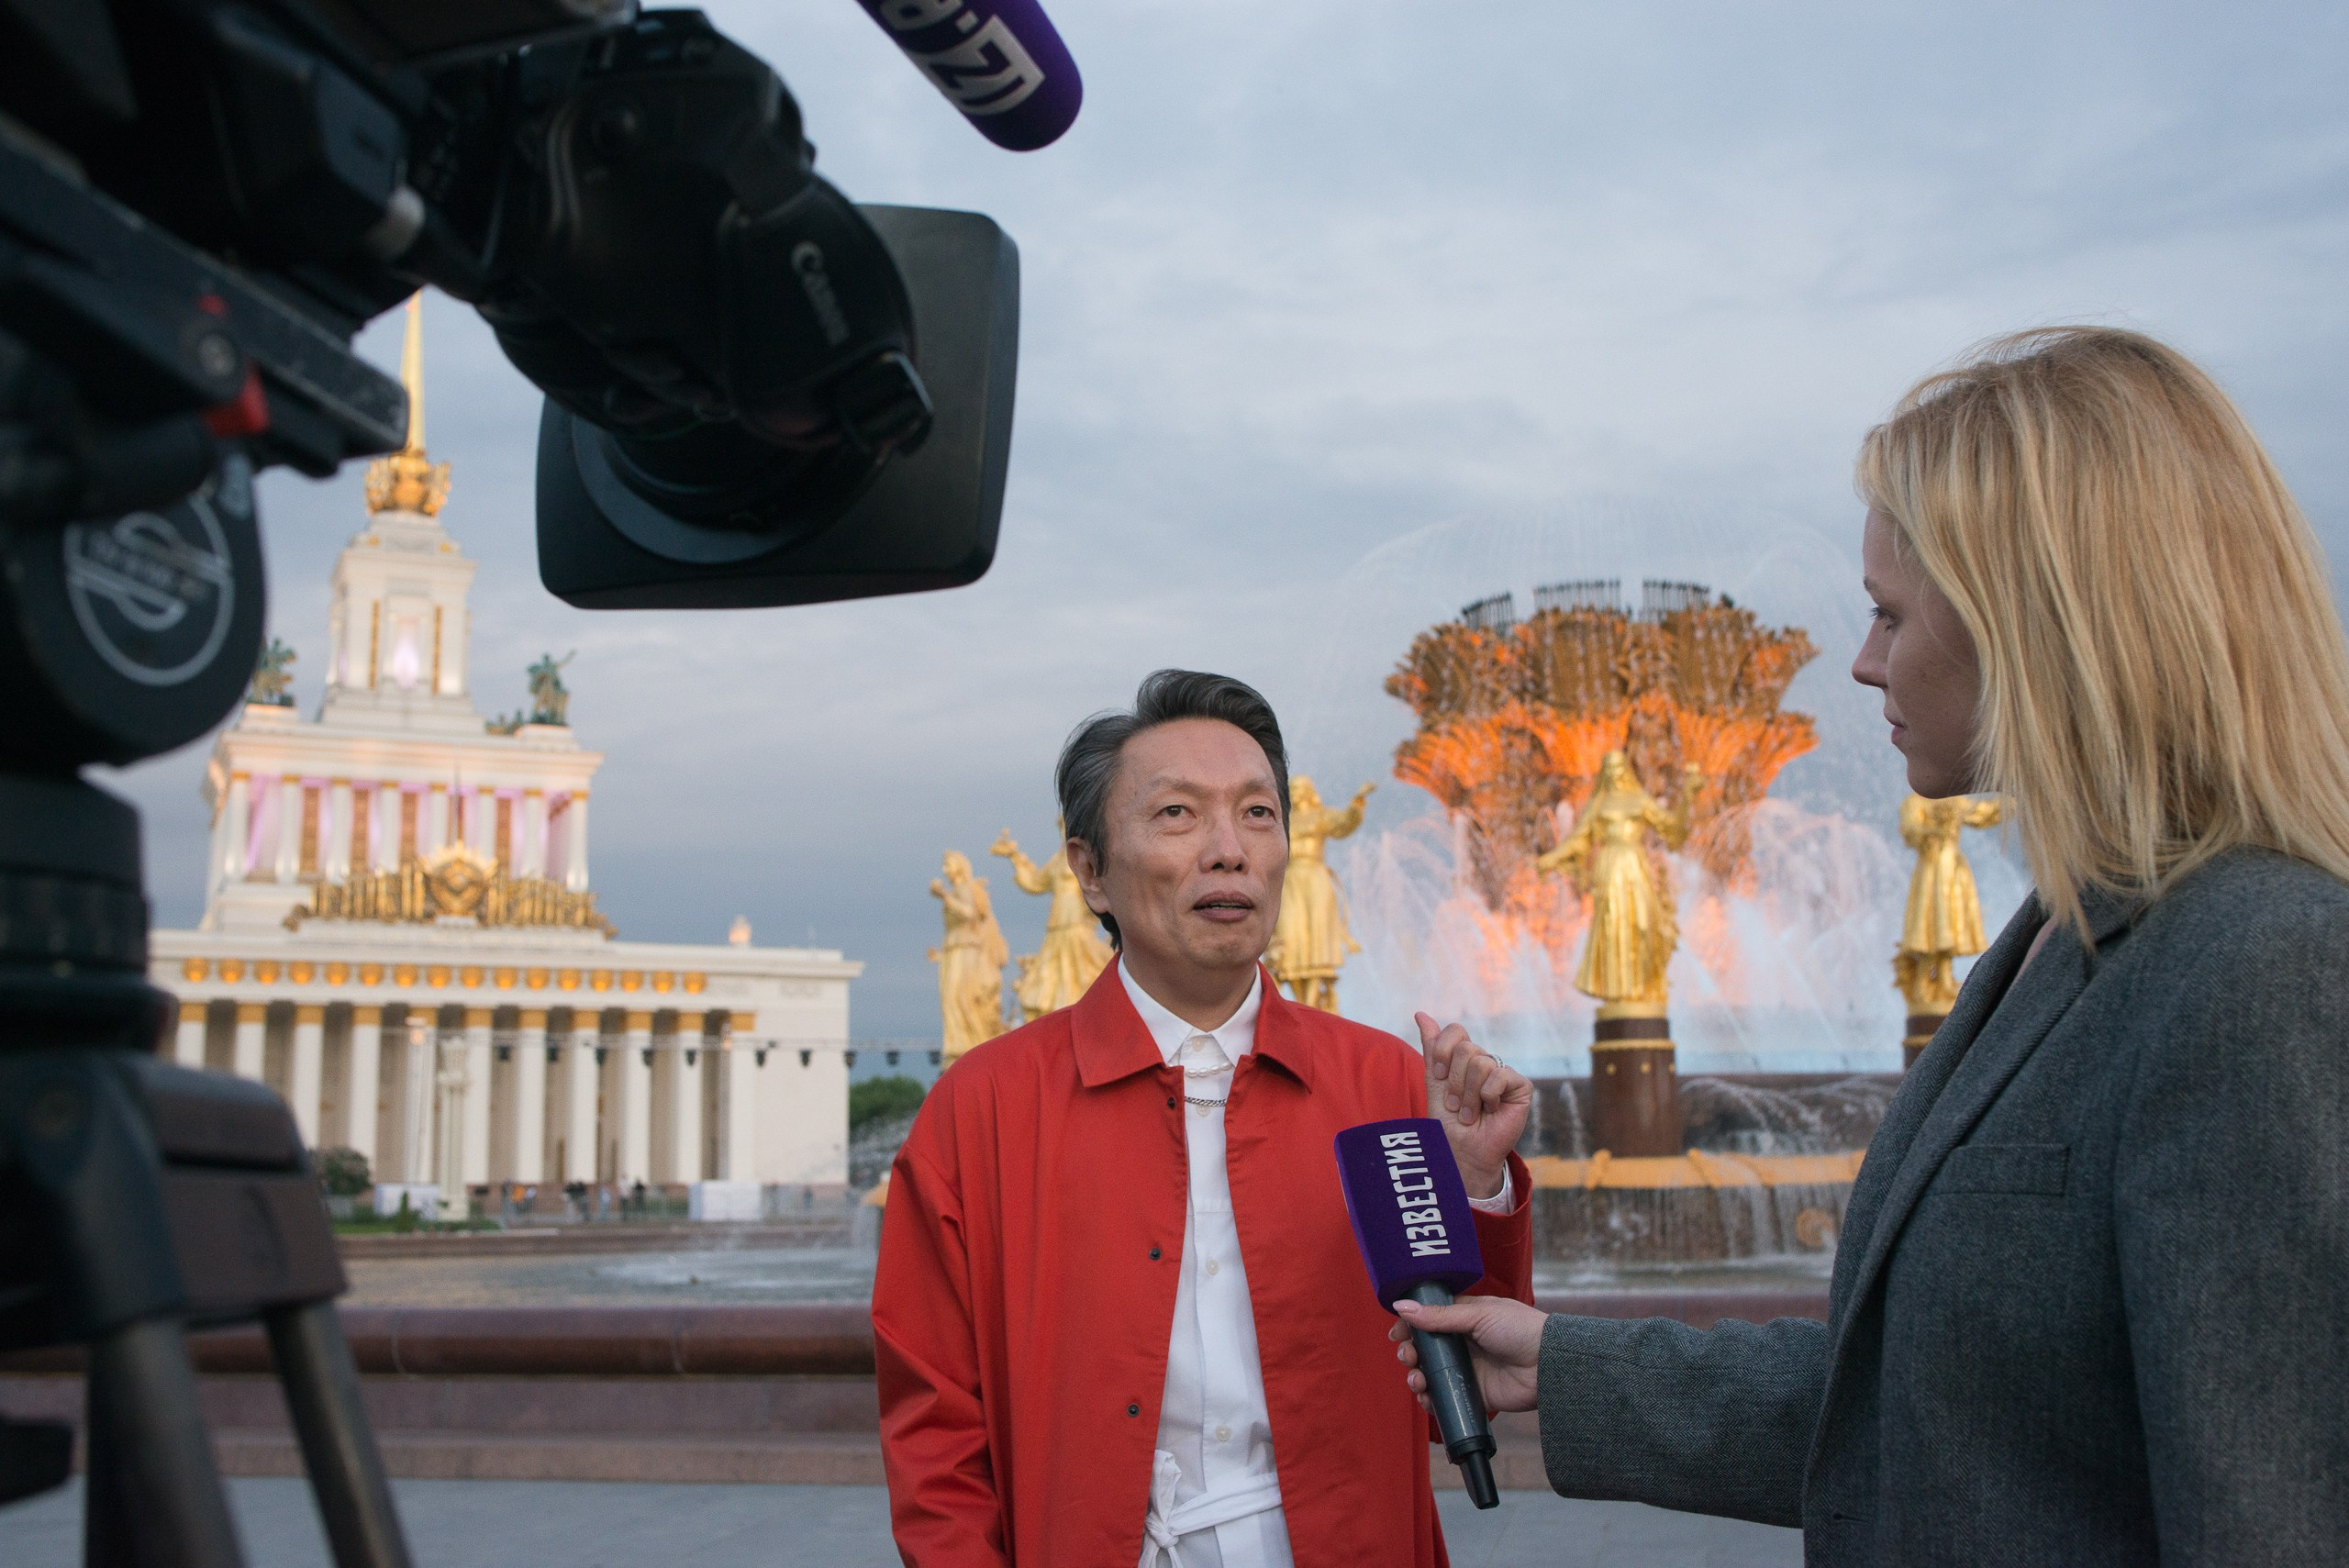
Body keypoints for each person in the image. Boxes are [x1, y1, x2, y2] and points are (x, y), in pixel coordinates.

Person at [1393, 327, 2349, 1563]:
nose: (1861, 662)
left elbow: (2274, 1511)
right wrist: (1570, 1368)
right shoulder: (2071, 940)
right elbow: (1939, 1408)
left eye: (1891, 616)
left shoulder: (2263, 969)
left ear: (2039, 621)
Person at [875, 670, 1538, 1567]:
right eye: (1179, 814)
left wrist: (1480, 1186)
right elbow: (935, 1432)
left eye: (1257, 813)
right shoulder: (983, 1107)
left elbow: (1479, 1382)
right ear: (1089, 871)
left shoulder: (1386, 1080)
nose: (1229, 849)